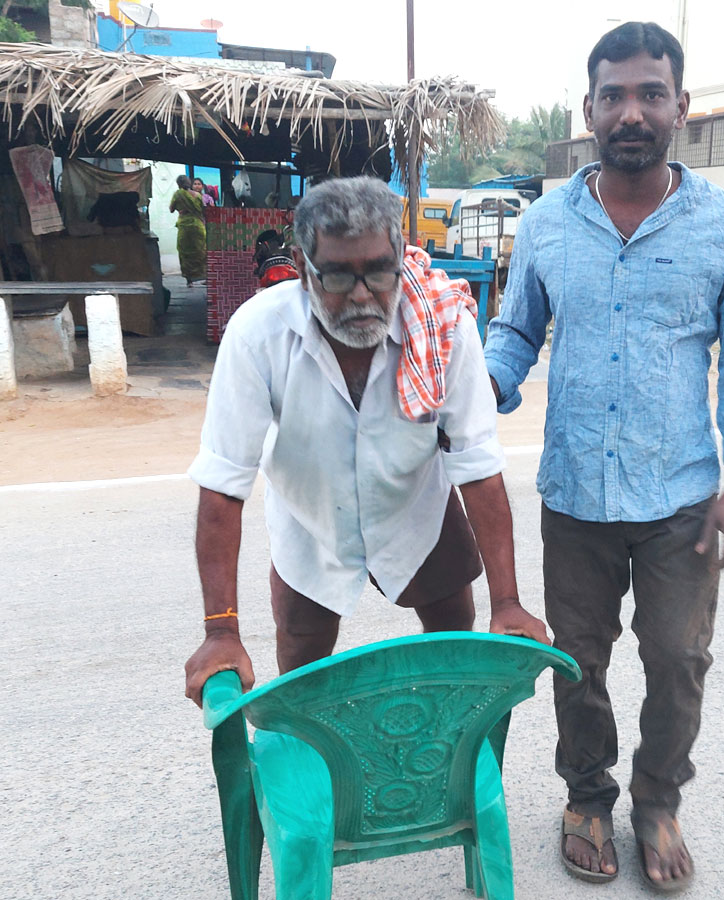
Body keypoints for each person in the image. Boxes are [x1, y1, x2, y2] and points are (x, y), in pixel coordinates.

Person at [482, 21, 724, 892]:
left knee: (677, 663)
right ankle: (585, 798)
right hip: (574, 495)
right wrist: (478, 391)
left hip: (681, 496)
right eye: (615, 95)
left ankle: (656, 802)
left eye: (651, 93)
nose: (632, 111)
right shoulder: (544, 225)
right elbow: (515, 333)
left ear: (681, 107)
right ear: (589, 111)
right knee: (577, 663)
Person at [184, 175, 549, 709]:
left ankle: (441, 760)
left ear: (401, 258)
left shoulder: (446, 328)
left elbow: (478, 466)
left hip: (417, 512)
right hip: (312, 525)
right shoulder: (257, 334)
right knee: (304, 672)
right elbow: (222, 484)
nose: (361, 294)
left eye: (378, 271)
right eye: (336, 276)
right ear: (304, 271)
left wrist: (509, 602)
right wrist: (220, 630)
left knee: (455, 644)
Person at [169, 174, 207, 285]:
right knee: (201, 251)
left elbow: (171, 209)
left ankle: (189, 280)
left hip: (184, 226)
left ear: (178, 184)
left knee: (185, 253)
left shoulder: (178, 194)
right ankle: (205, 276)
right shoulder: (198, 195)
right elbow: (203, 210)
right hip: (198, 225)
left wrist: (181, 209)